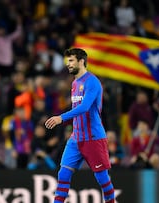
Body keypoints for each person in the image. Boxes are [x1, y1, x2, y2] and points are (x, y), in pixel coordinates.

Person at [45, 48, 115, 203]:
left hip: (93, 137)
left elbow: (84, 107)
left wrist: (61, 118)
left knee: (102, 179)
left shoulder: (92, 82)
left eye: (71, 61)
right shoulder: (75, 83)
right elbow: (77, 111)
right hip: (76, 137)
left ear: (81, 61)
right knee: (63, 174)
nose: (68, 64)